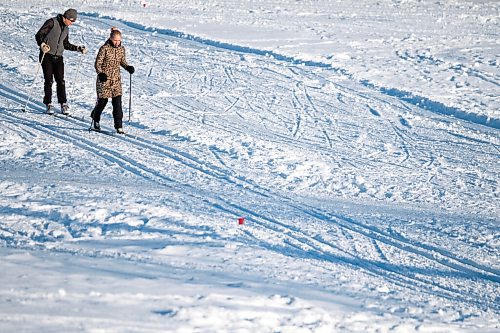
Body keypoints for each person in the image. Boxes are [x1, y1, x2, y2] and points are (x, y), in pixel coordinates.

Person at [35, 8, 87, 115]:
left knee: (61, 80)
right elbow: (39, 35)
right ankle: (48, 103)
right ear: (66, 18)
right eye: (71, 21)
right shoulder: (52, 22)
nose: (72, 23)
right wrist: (42, 45)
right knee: (49, 80)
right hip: (47, 55)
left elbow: (65, 44)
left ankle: (63, 103)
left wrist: (77, 48)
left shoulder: (66, 28)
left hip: (58, 57)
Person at [90, 27, 135, 134]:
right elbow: (98, 64)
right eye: (115, 40)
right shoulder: (104, 48)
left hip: (116, 80)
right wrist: (100, 73)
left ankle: (119, 126)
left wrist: (128, 67)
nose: (117, 42)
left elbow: (122, 61)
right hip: (104, 80)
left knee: (117, 103)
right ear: (110, 38)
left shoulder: (121, 49)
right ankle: (95, 119)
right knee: (102, 102)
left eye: (119, 40)